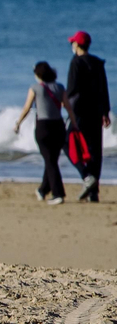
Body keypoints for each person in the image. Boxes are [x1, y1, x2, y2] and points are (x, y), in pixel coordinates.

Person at [14, 61, 68, 205]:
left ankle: (58, 194)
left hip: (43, 127)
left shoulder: (35, 88)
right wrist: (74, 124)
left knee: (50, 161)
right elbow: (68, 107)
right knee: (51, 160)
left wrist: (18, 123)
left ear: (38, 75)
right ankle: (43, 190)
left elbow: (27, 108)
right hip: (59, 126)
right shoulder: (60, 87)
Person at [67, 31, 111, 204]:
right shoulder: (97, 63)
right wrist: (105, 112)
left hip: (79, 112)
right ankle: (94, 192)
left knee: (67, 142)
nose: (71, 46)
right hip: (95, 112)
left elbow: (71, 90)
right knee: (95, 151)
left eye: (73, 43)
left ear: (77, 45)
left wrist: (67, 108)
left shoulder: (76, 63)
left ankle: (86, 176)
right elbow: (104, 88)